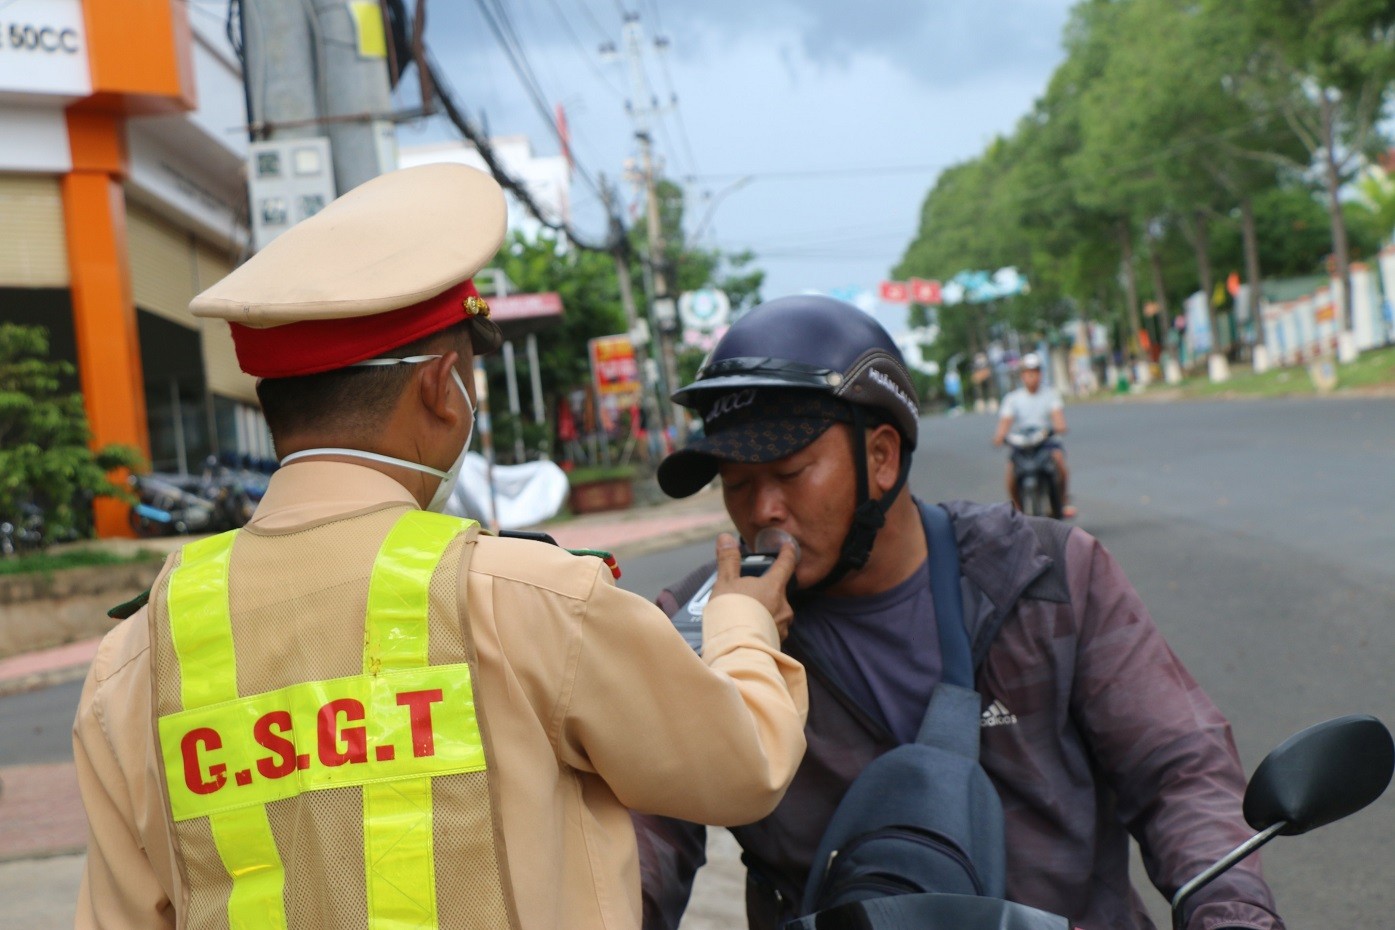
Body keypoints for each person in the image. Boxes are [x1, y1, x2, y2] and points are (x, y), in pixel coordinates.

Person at [72, 163, 808, 930]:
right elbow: (742, 767)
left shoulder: (136, 659)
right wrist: (741, 623)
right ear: (439, 386)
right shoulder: (529, 599)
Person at [632, 295, 1283, 930]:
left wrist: (1229, 912)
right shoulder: (699, 629)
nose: (761, 509)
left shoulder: (1046, 574)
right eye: (737, 483)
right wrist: (731, 651)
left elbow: (1178, 770)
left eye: (789, 470)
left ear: (880, 457)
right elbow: (639, 844)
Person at [992, 352, 1075, 518]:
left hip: (1045, 440)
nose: (1032, 376)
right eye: (1028, 372)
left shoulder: (1050, 394)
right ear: (1022, 375)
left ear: (1040, 373)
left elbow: (1059, 420)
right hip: (1023, 443)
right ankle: (1017, 508)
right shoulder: (1013, 399)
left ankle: (1063, 500)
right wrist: (1000, 436)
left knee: (1059, 462)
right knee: (1011, 472)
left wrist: (1058, 427)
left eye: (1035, 371)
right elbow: (1004, 423)